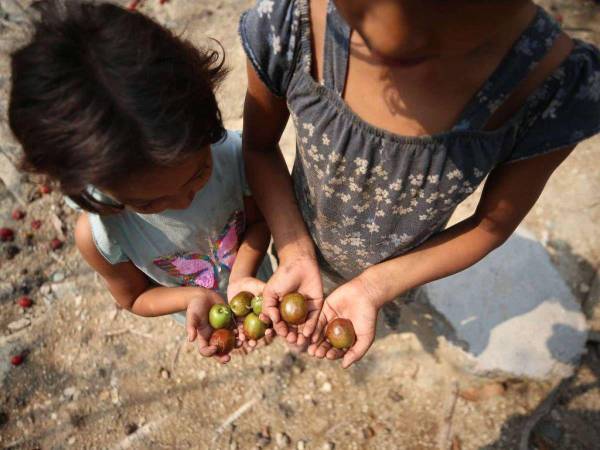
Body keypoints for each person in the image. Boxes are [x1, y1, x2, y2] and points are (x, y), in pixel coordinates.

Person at [239, 0, 600, 367]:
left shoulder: (552, 88)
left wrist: (377, 287)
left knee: (377, 312)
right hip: (302, 238)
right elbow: (259, 147)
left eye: (427, 43)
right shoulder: (292, 26)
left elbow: (492, 223)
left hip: (404, 267)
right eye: (360, 18)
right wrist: (295, 249)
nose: (388, 47)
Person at [9, 0, 273, 363]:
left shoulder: (233, 157)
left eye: (199, 174)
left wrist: (243, 280)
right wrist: (192, 299)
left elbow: (259, 222)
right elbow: (133, 298)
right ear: (94, 185)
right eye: (148, 203)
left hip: (255, 280)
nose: (182, 202)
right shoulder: (102, 234)